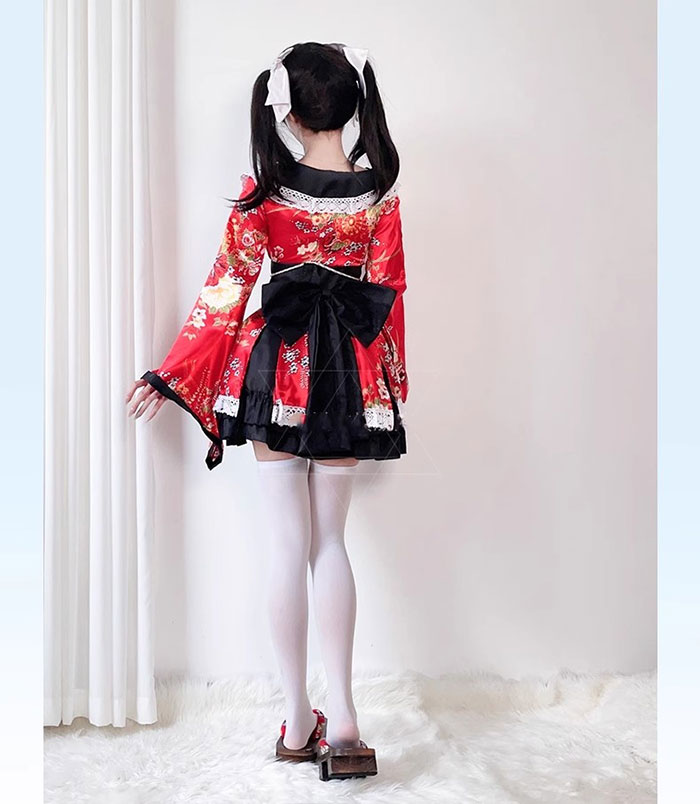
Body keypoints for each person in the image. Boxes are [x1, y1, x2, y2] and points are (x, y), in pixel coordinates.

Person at [125, 41, 409, 781]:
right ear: (353, 103)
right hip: (347, 372)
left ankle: (297, 720)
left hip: (277, 367)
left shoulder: (266, 193)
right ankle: (345, 719)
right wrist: (392, 383)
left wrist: (173, 372)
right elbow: (389, 301)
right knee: (331, 543)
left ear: (287, 111)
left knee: (288, 545)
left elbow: (226, 290)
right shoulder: (379, 197)